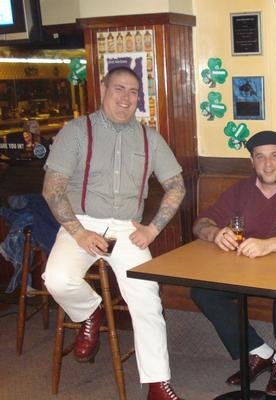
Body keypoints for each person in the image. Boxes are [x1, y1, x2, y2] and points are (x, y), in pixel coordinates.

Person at [42, 67, 186, 400]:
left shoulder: (150, 138)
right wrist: (79, 233)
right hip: (80, 223)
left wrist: (153, 229)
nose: (125, 97)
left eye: (133, 91)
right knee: (57, 279)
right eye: (118, 88)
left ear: (139, 98)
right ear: (103, 89)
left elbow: (177, 185)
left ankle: (157, 384)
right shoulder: (76, 132)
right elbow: (52, 189)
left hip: (127, 227)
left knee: (147, 298)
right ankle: (89, 311)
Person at [191, 130, 276, 396]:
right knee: (202, 291)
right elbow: (201, 223)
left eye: (274, 156)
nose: (268, 164)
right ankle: (260, 351)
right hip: (249, 271)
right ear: (252, 161)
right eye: (260, 157)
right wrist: (215, 233)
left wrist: (268, 244)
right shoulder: (241, 189)